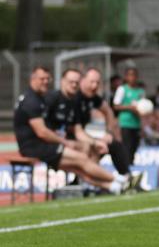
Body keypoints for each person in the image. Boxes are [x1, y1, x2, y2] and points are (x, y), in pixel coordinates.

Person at [14, 66, 129, 195]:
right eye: (42, 79)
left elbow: (78, 130)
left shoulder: (70, 101)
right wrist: (65, 142)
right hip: (37, 146)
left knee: (83, 160)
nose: (45, 82)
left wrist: (95, 142)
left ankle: (112, 186)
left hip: (48, 143)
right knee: (82, 159)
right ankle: (122, 180)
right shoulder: (38, 100)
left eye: (47, 79)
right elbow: (42, 132)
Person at [75, 67, 136, 181]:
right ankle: (97, 181)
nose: (94, 86)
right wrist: (95, 140)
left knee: (114, 143)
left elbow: (108, 111)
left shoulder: (93, 98)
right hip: (71, 137)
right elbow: (75, 131)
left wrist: (108, 132)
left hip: (82, 135)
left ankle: (127, 177)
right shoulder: (74, 98)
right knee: (94, 148)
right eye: (91, 82)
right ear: (83, 81)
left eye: (97, 83)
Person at [112, 67, 146, 164]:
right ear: (126, 77)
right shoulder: (122, 89)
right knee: (127, 146)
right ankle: (126, 167)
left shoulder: (141, 92)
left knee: (134, 146)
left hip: (136, 124)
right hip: (125, 123)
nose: (132, 77)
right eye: (130, 75)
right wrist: (130, 107)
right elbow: (116, 106)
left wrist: (143, 124)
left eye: (134, 75)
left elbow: (143, 108)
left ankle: (131, 164)